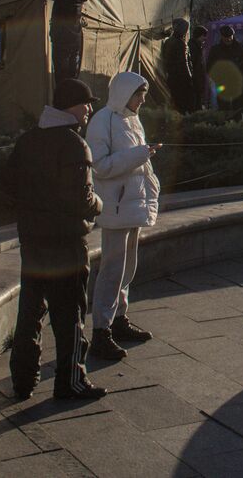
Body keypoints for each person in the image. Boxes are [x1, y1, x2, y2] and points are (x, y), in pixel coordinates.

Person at [1, 78, 105, 401]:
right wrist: (100, 205)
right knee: (69, 312)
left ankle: (22, 378)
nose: (89, 110)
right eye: (86, 103)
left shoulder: (28, 140)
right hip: (66, 242)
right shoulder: (74, 145)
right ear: (71, 106)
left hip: (33, 240)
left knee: (30, 310)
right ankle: (71, 380)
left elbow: (7, 185)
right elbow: (82, 200)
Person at [86, 72, 161, 362]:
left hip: (132, 204)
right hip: (116, 206)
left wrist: (144, 156)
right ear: (124, 93)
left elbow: (131, 158)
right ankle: (101, 330)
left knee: (128, 266)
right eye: (138, 94)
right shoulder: (102, 120)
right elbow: (100, 166)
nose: (142, 99)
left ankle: (118, 317)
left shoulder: (131, 119)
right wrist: (140, 155)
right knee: (112, 268)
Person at [41, 0, 88, 80]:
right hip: (75, 39)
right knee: (72, 74)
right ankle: (73, 95)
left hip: (62, 39)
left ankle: (64, 96)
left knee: (61, 75)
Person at [206, 25, 243, 113]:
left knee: (237, 107)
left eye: (230, 37)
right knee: (223, 107)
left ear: (233, 36)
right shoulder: (215, 50)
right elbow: (209, 66)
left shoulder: (241, 48)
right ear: (222, 36)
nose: (228, 39)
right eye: (225, 37)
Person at [162, 18, 196, 114]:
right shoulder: (180, 44)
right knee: (185, 104)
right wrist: (189, 78)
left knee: (177, 104)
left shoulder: (168, 41)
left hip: (172, 76)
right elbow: (184, 63)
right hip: (181, 78)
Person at [188, 24, 210, 111]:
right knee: (196, 104)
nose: (205, 39)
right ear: (200, 35)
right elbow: (194, 65)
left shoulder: (196, 46)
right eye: (204, 36)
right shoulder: (193, 47)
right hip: (195, 80)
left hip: (197, 79)